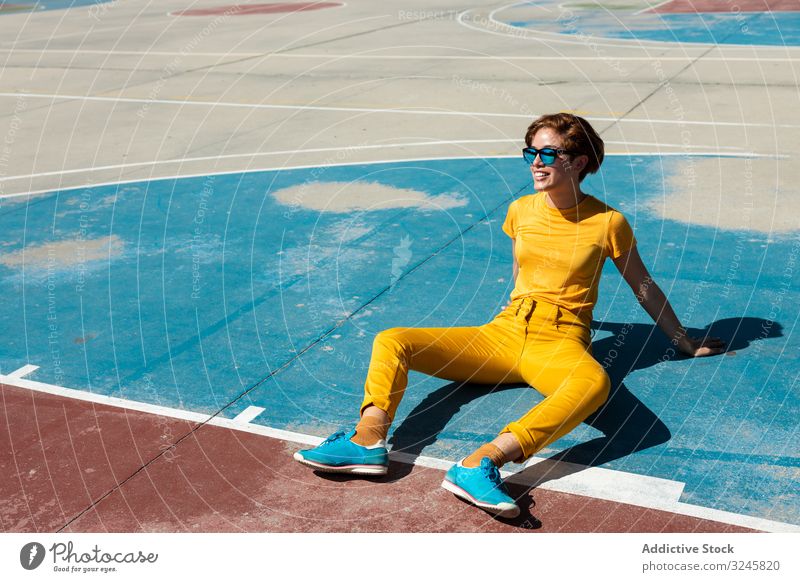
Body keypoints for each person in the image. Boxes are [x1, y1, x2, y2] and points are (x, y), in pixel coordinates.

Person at [293, 113, 727, 519]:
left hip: (557, 343)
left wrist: (681, 339)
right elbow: (522, 266)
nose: (536, 163)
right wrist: (517, 303)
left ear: (578, 162)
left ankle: (483, 462)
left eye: (548, 154)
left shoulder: (608, 222)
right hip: (504, 333)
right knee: (393, 339)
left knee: (593, 384)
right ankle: (367, 439)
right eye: (531, 153)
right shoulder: (520, 210)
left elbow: (642, 284)